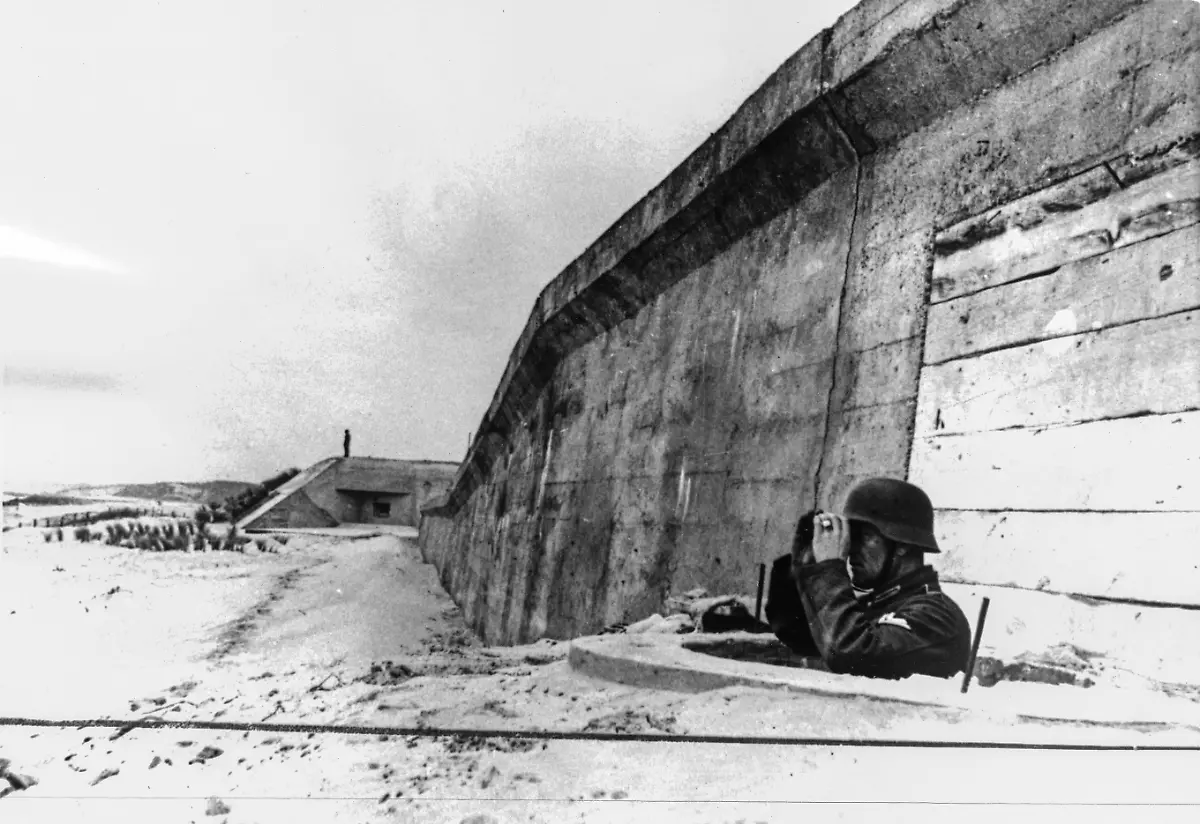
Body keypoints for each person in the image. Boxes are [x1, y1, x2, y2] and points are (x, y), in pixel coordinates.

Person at [765, 477, 971, 680]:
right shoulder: (877, 605)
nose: (850, 548)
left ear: (903, 545)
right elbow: (798, 636)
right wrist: (806, 568)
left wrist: (829, 571)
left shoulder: (936, 615)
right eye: (850, 537)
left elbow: (850, 654)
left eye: (863, 537)